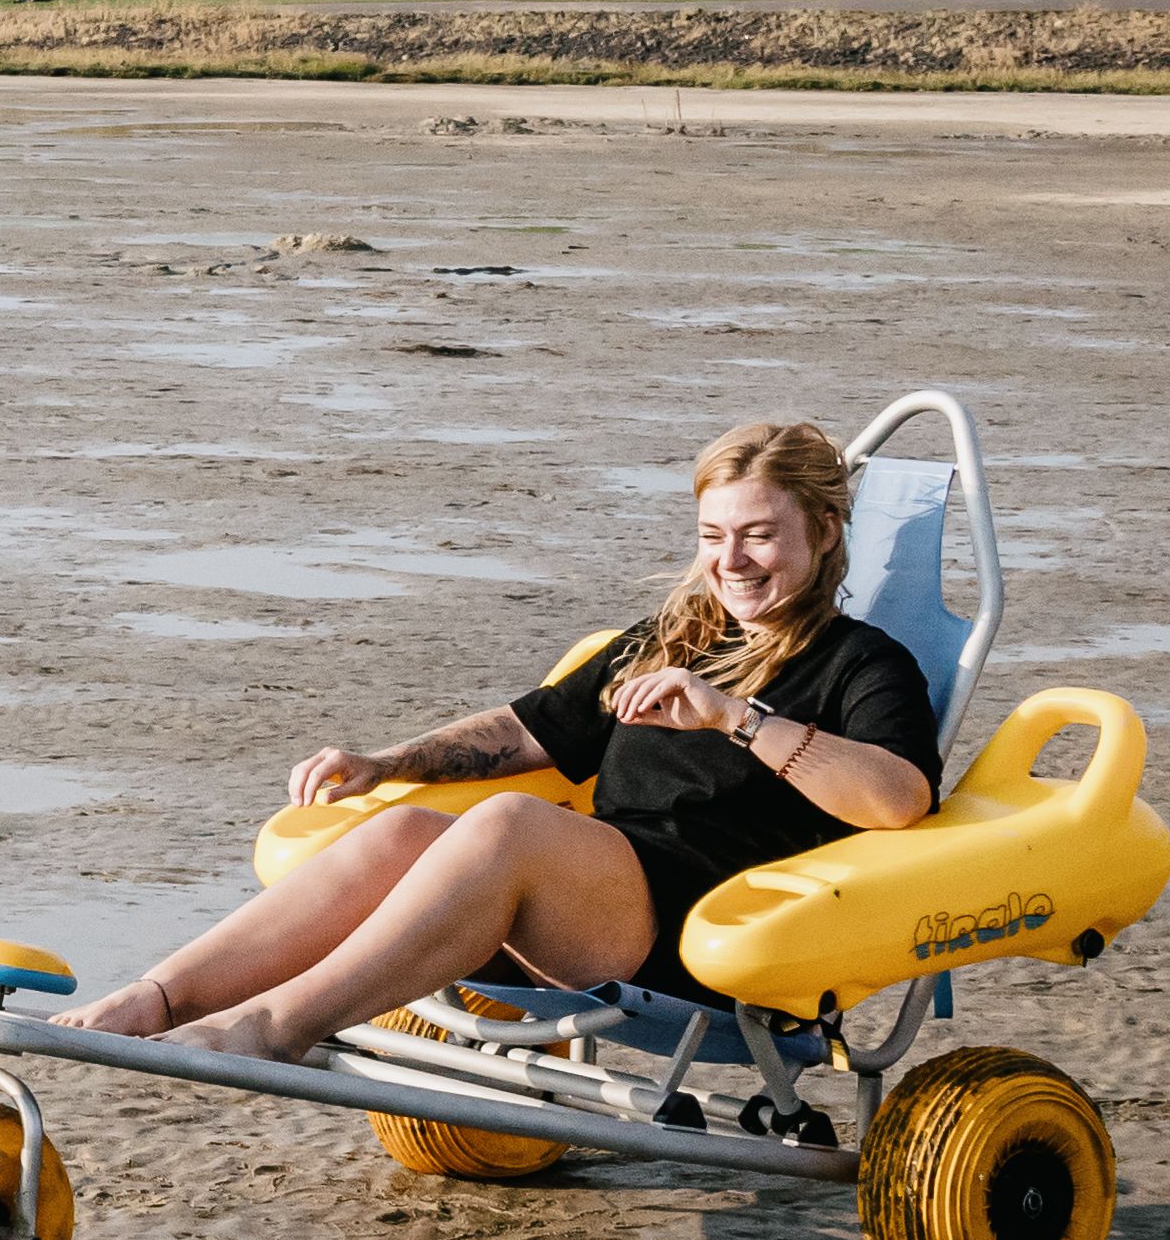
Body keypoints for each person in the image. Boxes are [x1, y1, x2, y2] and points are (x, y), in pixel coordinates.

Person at [76, 417, 941, 1057]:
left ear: (825, 533)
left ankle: (276, 1025)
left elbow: (899, 797)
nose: (733, 561)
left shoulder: (863, 663)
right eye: (714, 536)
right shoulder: (675, 636)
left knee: (508, 828)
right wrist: (385, 763)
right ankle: (155, 998)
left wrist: (733, 717)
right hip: (599, 891)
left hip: (718, 928)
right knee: (408, 829)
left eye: (760, 535)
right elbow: (526, 730)